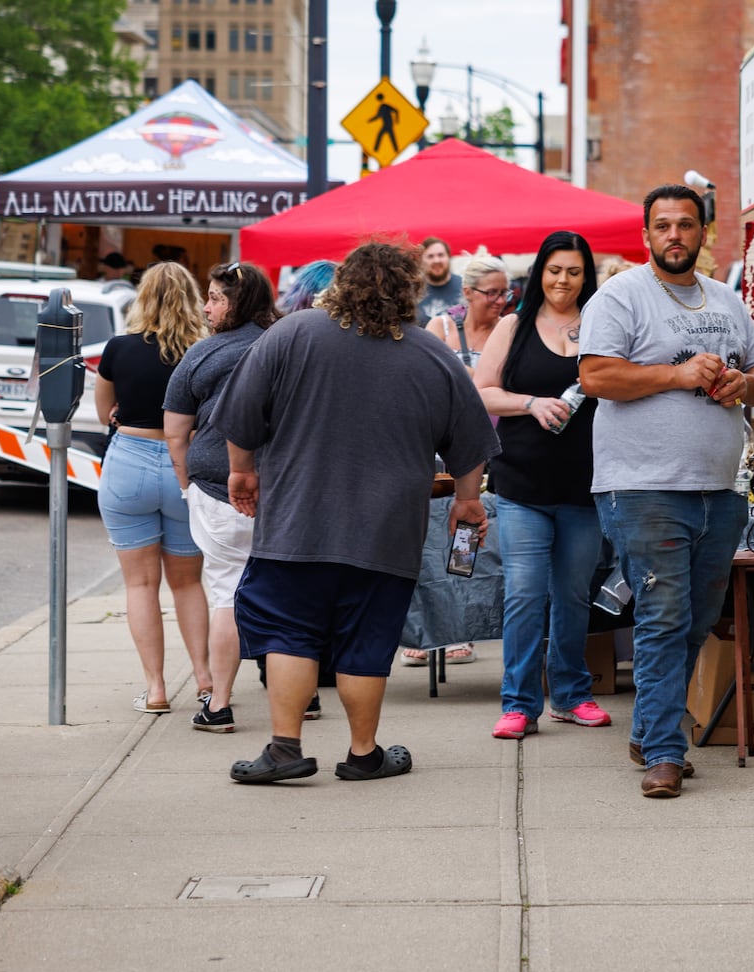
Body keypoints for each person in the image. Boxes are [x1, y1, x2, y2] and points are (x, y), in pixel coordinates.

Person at [213, 241, 500, 784]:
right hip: (386, 529)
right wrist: (467, 501)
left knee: (290, 632)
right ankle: (363, 753)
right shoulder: (431, 353)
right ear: (409, 291)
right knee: (367, 638)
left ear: (340, 283)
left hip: (298, 520)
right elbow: (470, 444)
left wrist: (242, 470)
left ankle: (284, 749)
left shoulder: (292, 334)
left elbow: (241, 415)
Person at [580, 184, 754, 798]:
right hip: (642, 487)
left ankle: (649, 727)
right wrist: (678, 374)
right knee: (664, 619)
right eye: (662, 225)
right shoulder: (620, 296)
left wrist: (741, 385)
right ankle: (667, 753)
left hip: (718, 488)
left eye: (685, 225)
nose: (674, 235)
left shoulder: (727, 300)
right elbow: (595, 375)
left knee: (696, 620)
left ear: (702, 234)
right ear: (646, 236)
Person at [474, 231, 610, 740]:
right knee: (526, 595)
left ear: (586, 276)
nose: (563, 281)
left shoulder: (602, 324)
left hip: (585, 486)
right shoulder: (514, 325)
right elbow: (482, 392)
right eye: (555, 270)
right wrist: (531, 403)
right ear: (540, 272)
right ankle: (519, 703)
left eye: (574, 272)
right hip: (522, 486)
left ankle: (572, 694)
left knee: (573, 596)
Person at [165, 262, 311, 734]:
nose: (206, 308)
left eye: (215, 298)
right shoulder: (289, 346)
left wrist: (187, 485)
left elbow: (175, 432)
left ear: (238, 303)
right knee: (287, 592)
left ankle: (220, 704)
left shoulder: (204, 354)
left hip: (216, 486)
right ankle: (301, 697)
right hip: (285, 488)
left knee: (228, 591)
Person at [94, 262, 212, 715]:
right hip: (187, 466)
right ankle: (205, 680)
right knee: (188, 584)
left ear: (142, 298)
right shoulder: (203, 350)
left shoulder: (118, 349)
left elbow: (107, 410)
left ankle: (157, 688)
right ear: (192, 298)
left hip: (128, 462)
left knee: (140, 584)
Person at [402, 252, 511, 667]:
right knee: (433, 542)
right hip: (442, 455)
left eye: (506, 292)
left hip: (494, 453)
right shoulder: (441, 328)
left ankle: (458, 627)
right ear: (466, 293)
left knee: (470, 546)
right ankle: (429, 629)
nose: (501, 300)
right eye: (492, 293)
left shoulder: (509, 331)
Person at [417, 237, 462, 321]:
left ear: (449, 257)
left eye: (441, 255)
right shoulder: (412, 291)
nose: (436, 260)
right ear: (421, 261)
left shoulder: (464, 286)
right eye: (430, 256)